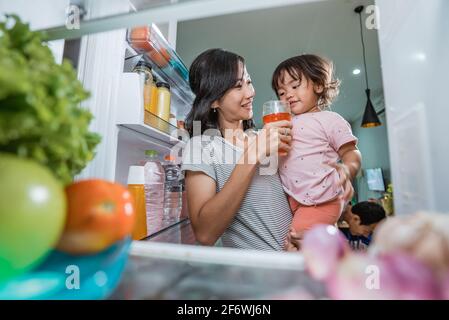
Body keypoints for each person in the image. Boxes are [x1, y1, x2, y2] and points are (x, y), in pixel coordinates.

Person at [181, 48, 294, 250]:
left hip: (296, 267)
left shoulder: (263, 139)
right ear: (214, 100)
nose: (251, 93)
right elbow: (205, 233)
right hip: (255, 276)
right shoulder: (201, 147)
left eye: (249, 82)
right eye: (238, 86)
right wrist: (252, 155)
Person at [271, 54, 362, 238]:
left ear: (319, 85)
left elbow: (350, 151)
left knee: (294, 247)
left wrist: (347, 169)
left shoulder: (329, 119)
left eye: (295, 86)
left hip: (321, 201)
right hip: (294, 198)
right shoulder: (285, 123)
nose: (288, 94)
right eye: (281, 92)